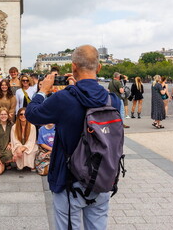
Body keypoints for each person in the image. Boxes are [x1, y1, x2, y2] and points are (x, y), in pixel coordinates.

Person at [26, 45, 116, 230]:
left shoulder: (64, 99)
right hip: (102, 176)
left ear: (73, 67)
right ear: (99, 68)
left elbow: (32, 114)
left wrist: (42, 91)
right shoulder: (111, 99)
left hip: (69, 180)